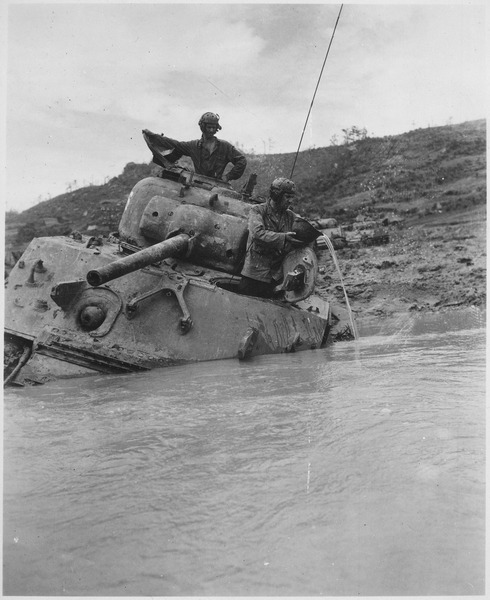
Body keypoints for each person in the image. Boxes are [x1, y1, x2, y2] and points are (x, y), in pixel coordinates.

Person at [239, 177, 305, 298]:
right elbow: (258, 234)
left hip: (275, 278)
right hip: (253, 275)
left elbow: (302, 228)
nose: (290, 201)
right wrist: (284, 238)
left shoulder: (290, 216)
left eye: (292, 197)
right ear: (277, 195)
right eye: (287, 197)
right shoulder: (258, 210)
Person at [144, 112, 246, 183]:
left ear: (216, 128)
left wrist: (228, 177)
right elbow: (176, 144)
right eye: (208, 127)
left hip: (218, 185)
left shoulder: (225, 147)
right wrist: (154, 136)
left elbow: (241, 160)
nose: (211, 130)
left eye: (213, 127)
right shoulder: (194, 146)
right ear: (202, 127)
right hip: (198, 183)